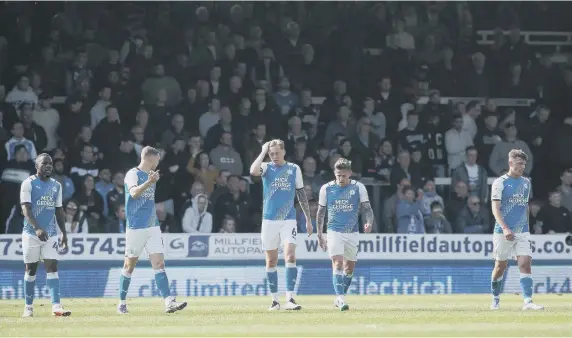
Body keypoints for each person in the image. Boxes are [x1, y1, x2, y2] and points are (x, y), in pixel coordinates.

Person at [118, 146, 187, 314]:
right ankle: (121, 303)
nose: (158, 163)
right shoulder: (133, 174)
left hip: (152, 226)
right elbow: (133, 193)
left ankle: (168, 302)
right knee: (129, 266)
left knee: (159, 264)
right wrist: (149, 182)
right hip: (136, 227)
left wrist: (151, 181)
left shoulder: (152, 176)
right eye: (157, 160)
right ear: (150, 159)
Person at [249, 139, 312, 311]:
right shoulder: (266, 167)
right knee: (271, 260)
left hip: (288, 219)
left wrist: (307, 218)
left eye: (277, 153)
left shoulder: (293, 169)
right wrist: (262, 152)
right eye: (271, 153)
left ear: (284, 152)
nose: (274, 156)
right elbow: (253, 171)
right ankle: (275, 300)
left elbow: (301, 194)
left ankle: (290, 298)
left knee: (290, 256)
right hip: (269, 220)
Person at [316, 158, 374, 311]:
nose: (340, 178)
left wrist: (369, 222)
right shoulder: (326, 189)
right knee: (337, 263)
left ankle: (339, 297)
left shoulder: (358, 187)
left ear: (350, 174)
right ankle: (341, 300)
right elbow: (320, 213)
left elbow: (367, 208)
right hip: (334, 230)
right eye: (338, 175)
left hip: (352, 232)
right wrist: (319, 234)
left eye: (343, 175)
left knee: (349, 269)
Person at [490, 149, 543, 311]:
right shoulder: (500, 183)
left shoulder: (526, 183)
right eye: (519, 164)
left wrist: (526, 226)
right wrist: (505, 228)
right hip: (503, 231)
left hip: (522, 231)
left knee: (525, 263)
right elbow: (495, 209)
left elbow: (524, 206)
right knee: (500, 266)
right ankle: (495, 298)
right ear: (510, 163)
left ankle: (528, 301)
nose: (522, 167)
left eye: (524, 164)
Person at [20, 153, 70, 317]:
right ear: (37, 166)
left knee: (52, 267)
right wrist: (37, 228)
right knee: (31, 270)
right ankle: (28, 307)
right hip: (31, 233)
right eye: (45, 163)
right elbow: (26, 209)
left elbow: (59, 210)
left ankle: (56, 306)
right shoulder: (28, 184)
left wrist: (63, 232)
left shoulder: (56, 185)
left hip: (51, 234)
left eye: (50, 163)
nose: (49, 166)